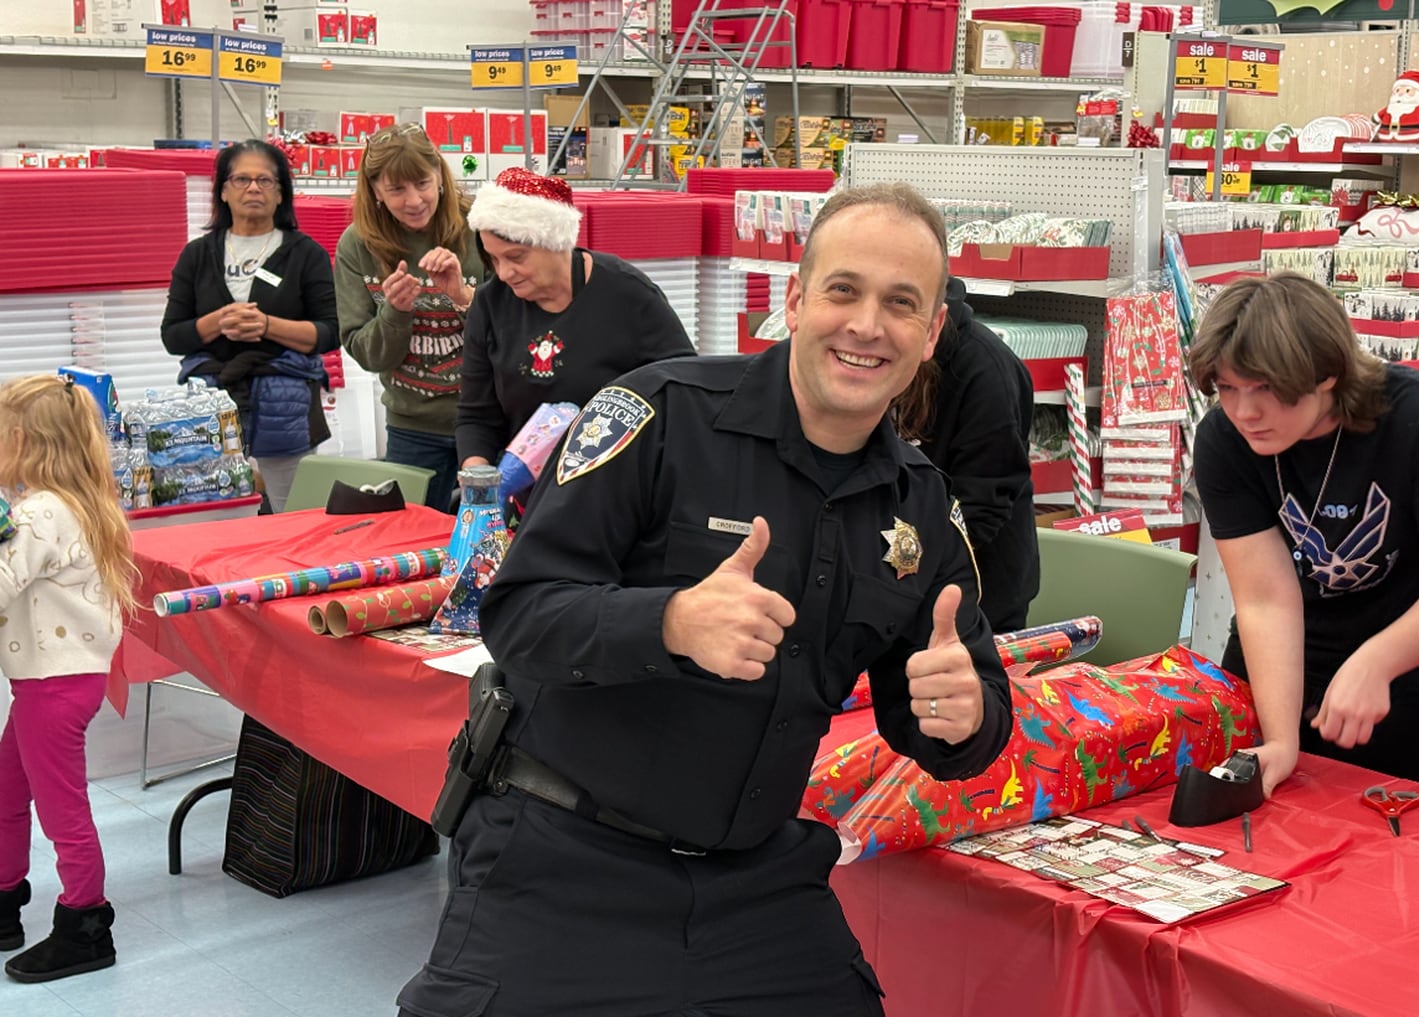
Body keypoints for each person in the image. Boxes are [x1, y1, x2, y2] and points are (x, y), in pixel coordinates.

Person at [398, 183, 1012, 1017]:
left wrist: (966, 716)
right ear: (794, 301)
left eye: (902, 304)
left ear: (932, 331)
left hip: (755, 887)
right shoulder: (657, 416)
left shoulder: (920, 508)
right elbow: (519, 614)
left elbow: (962, 717)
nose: (868, 325)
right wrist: (669, 622)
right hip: (561, 863)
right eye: (844, 291)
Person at [1191, 271, 1419, 797]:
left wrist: (1377, 660)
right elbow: (1265, 600)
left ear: (1326, 374)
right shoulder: (1223, 439)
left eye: (1264, 389)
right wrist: (1281, 741)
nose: (1244, 412)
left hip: (1416, 659)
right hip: (1284, 663)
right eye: (1227, 389)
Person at [0, 375, 138, 983]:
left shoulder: (40, 513)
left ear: (23, 440)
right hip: (53, 681)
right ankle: (4, 902)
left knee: (64, 813)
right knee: (6, 792)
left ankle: (85, 925)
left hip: (53, 687)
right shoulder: (70, 501)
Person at [455, 167, 695, 490]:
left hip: (620, 493)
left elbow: (684, 395)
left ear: (554, 241)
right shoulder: (490, 304)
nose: (504, 273)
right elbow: (477, 416)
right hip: (528, 494)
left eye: (516, 257)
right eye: (494, 260)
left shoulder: (629, 295)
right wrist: (479, 482)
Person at [161, 139, 339, 514]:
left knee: (294, 513)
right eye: (241, 179)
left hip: (285, 405)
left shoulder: (306, 254)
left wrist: (267, 326)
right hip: (212, 406)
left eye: (265, 180)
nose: (253, 188)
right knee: (216, 512)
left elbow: (328, 332)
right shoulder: (197, 254)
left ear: (280, 194)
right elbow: (173, 335)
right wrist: (217, 322)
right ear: (223, 191)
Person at [336, 122, 489, 511]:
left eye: (422, 182)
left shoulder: (480, 228)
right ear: (375, 191)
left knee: (497, 541)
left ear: (439, 174)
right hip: (411, 429)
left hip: (490, 422)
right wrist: (396, 312)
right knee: (410, 545)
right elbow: (368, 356)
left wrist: (462, 296)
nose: (414, 200)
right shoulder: (357, 245)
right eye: (396, 189)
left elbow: (515, 337)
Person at [892, 277, 1039, 632]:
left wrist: (896, 561)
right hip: (895, 587)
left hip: (980, 596)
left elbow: (980, 507)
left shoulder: (986, 370)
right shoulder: (877, 348)